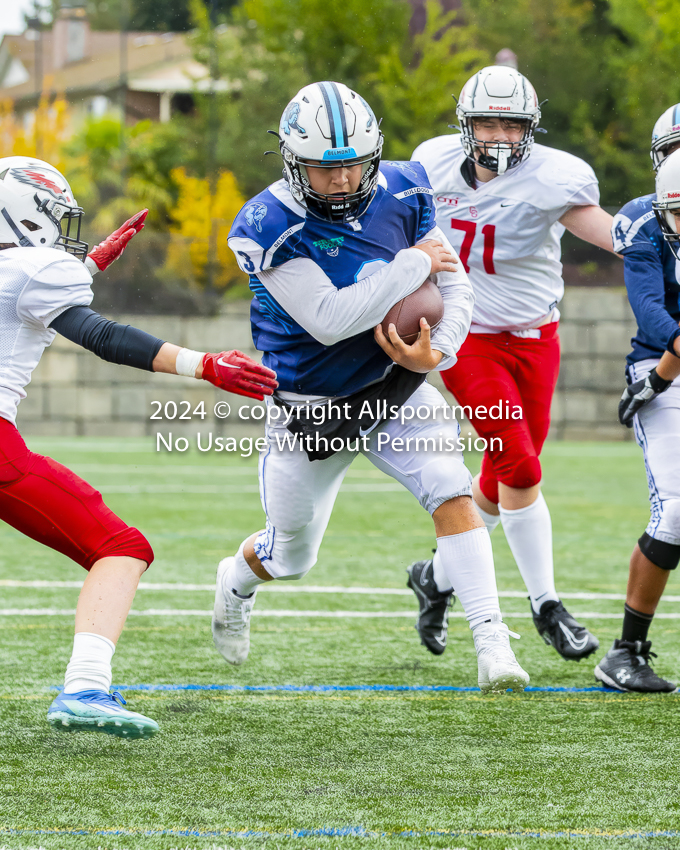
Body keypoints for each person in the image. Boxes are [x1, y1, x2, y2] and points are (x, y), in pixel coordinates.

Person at [214, 80, 530, 694]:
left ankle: (493, 644)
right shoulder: (267, 222)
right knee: (292, 554)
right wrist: (411, 264)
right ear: (291, 159)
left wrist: (441, 347)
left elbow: (456, 285)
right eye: (323, 168)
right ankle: (235, 581)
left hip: (394, 388)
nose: (341, 179)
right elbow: (332, 321)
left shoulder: (406, 187)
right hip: (313, 408)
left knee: (451, 488)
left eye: (354, 164)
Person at [0, 156, 277, 737]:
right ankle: (86, 686)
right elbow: (99, 334)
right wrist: (203, 364)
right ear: (29, 214)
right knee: (121, 545)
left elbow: (19, 299)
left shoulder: (23, 269)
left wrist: (91, 263)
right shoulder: (37, 266)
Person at [407, 65, 616, 662]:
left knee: (502, 483)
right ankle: (547, 605)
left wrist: (655, 231)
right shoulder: (432, 164)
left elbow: (603, 231)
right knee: (521, 468)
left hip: (537, 340)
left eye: (510, 123)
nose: (497, 135)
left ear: (531, 127)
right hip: (467, 338)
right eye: (486, 122)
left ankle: (435, 578)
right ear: (465, 125)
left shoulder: (558, 175)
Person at [594, 148, 680, 692]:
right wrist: (659, 378)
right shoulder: (644, 223)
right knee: (675, 513)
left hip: (665, 371)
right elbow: (651, 310)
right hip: (660, 355)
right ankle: (626, 651)